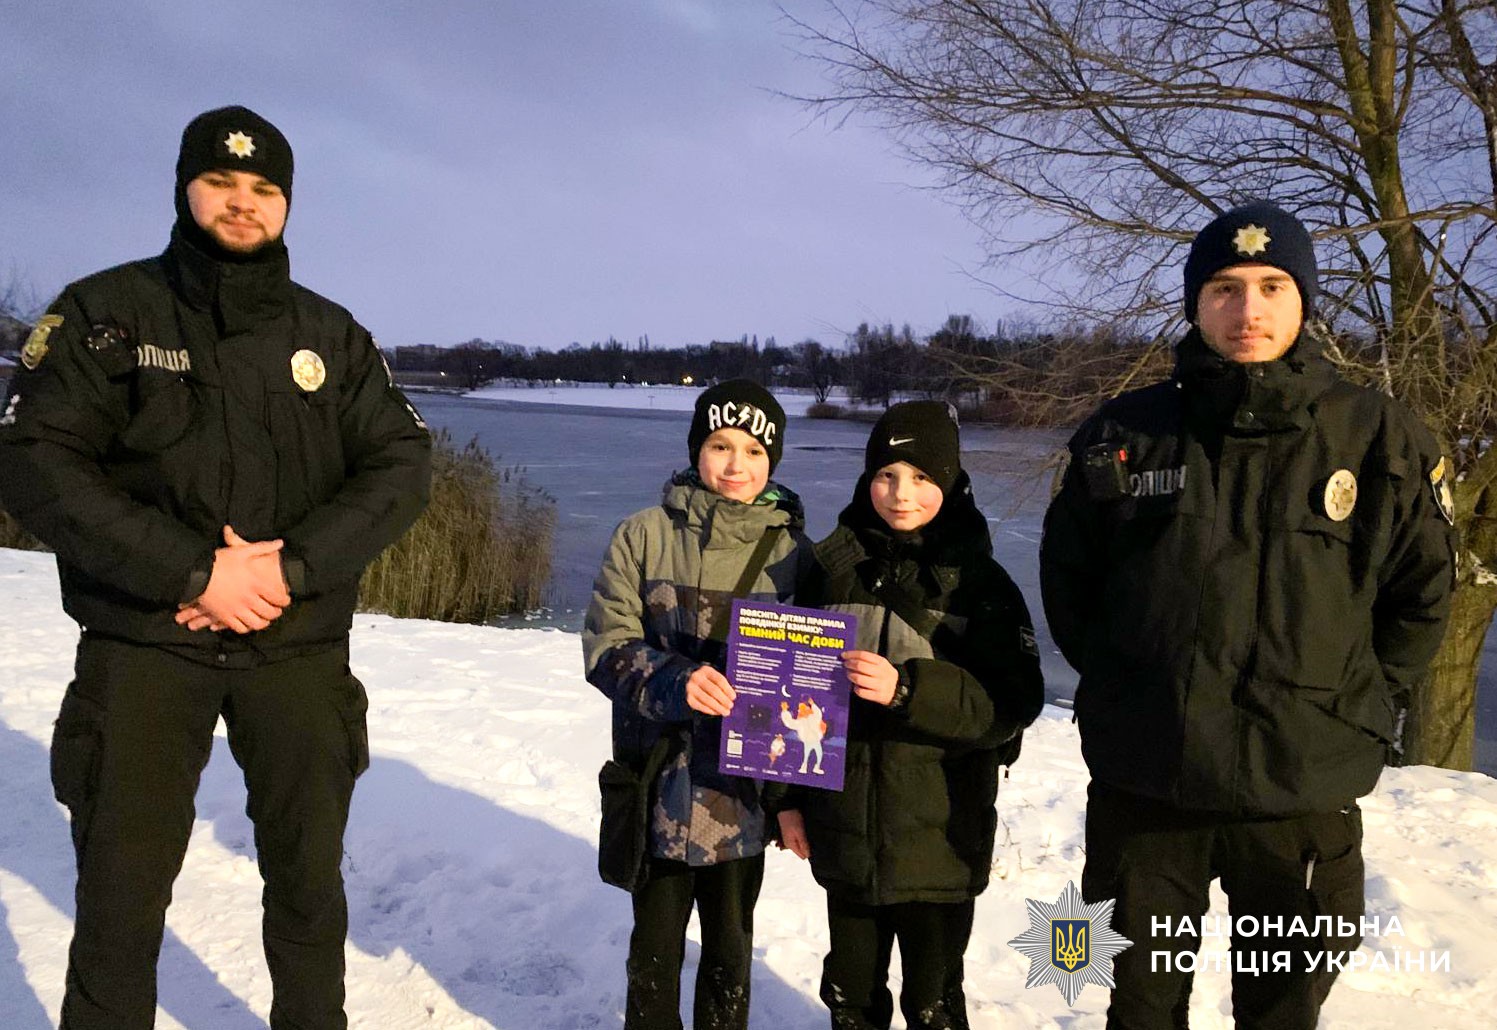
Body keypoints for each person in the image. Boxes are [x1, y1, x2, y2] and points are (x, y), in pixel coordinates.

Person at [0, 105, 432, 1030]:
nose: (243, 204)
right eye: (222, 184)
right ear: (185, 188)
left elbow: (401, 466)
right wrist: (194, 573)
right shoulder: (104, 313)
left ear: (287, 204)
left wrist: (293, 567)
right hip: (146, 644)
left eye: (264, 189)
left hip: (297, 648)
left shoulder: (331, 335)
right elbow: (33, 459)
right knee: (121, 893)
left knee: (309, 888)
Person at [1040, 202, 1457, 1029]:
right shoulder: (1124, 434)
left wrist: (1352, 705)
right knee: (1137, 1004)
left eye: (1271, 285)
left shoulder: (1376, 437)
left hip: (1299, 790)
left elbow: (1420, 597)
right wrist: (1138, 687)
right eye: (1224, 289)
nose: (1248, 309)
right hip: (1146, 789)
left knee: (1281, 1009)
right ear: (1196, 304)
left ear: (1303, 299)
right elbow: (1071, 591)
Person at [775, 400, 1044, 1030]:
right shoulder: (826, 573)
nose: (902, 494)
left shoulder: (982, 585)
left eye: (923, 477)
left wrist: (908, 691)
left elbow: (1014, 703)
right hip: (844, 839)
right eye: (887, 475)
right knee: (851, 998)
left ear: (951, 483)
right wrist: (784, 799)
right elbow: (783, 693)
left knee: (932, 1004)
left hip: (941, 845)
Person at [583, 379, 810, 1030]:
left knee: (728, 956)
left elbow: (807, 692)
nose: (735, 464)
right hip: (654, 786)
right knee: (651, 955)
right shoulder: (641, 535)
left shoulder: (796, 558)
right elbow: (606, 644)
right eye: (719, 445)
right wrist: (672, 682)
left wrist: (792, 796)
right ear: (695, 449)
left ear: (771, 462)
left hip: (741, 797)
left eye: (752, 451)